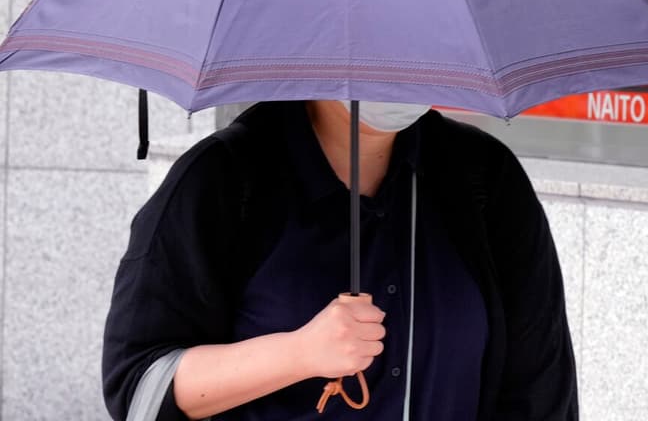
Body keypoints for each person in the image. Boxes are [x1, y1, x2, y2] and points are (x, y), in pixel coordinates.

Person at [102, 100, 578, 420]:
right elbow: (141, 382)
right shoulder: (223, 180)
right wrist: (298, 353)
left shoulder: (484, 180)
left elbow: (540, 390)